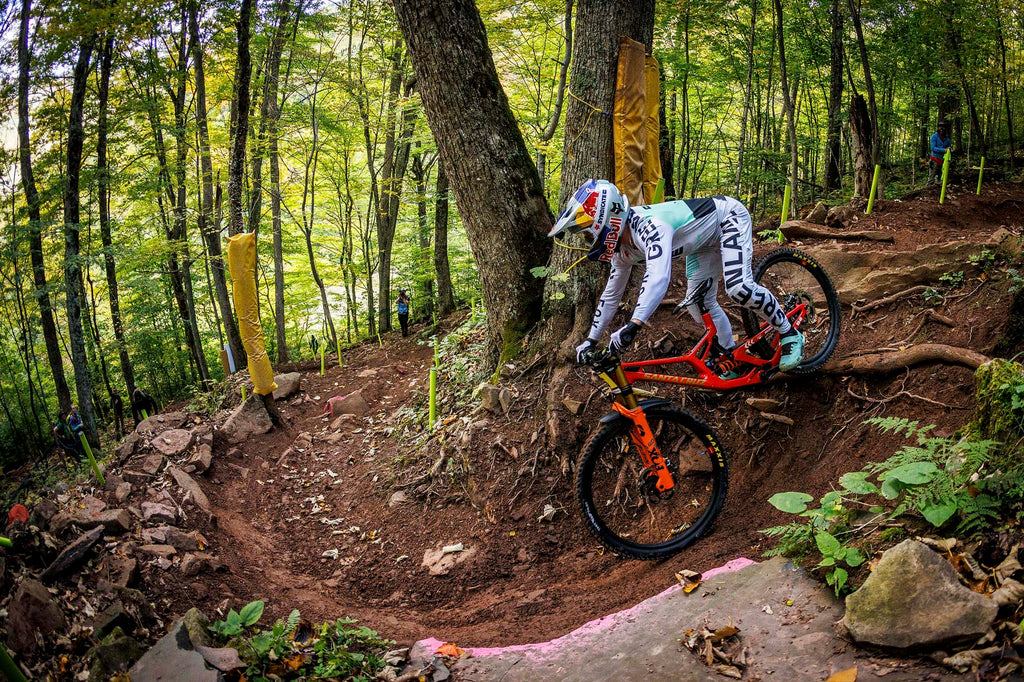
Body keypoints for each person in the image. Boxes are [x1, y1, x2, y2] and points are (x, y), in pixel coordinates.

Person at [549, 179, 804, 373]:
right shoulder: (622, 250)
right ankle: (731, 357)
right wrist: (592, 340)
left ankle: (788, 331)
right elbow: (611, 294)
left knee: (738, 287)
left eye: (586, 232)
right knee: (697, 304)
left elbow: (658, 277)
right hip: (701, 244)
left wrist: (634, 325)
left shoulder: (649, 227)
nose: (587, 240)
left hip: (727, 218)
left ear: (604, 221)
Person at [928, 121, 952, 185]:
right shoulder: (934, 136)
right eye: (940, 127)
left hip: (943, 161)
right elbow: (933, 148)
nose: (942, 128)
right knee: (931, 178)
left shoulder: (947, 139)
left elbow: (949, 149)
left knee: (941, 179)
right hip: (934, 160)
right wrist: (944, 150)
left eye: (943, 127)